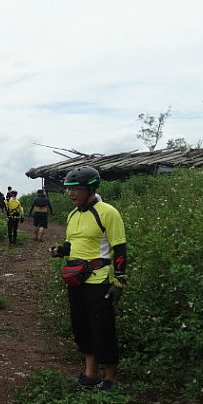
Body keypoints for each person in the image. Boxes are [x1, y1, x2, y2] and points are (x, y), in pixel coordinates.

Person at [49, 166, 127, 391]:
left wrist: (119, 281)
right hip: (76, 279)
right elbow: (72, 244)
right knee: (81, 325)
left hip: (99, 280)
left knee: (102, 327)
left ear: (91, 189)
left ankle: (111, 376)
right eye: (68, 189)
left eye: (76, 188)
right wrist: (60, 251)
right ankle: (91, 372)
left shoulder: (108, 213)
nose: (71, 193)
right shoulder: (73, 214)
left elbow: (119, 249)